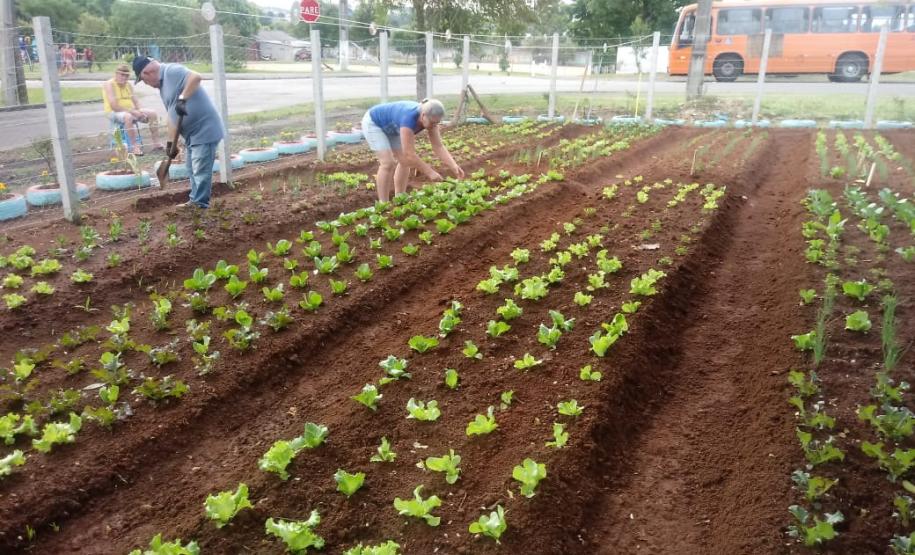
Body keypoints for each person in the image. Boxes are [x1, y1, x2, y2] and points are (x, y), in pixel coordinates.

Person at [134, 55, 225, 209]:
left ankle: (201, 205)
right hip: (191, 135)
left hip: (205, 128)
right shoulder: (163, 87)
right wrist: (171, 145)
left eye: (143, 80)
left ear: (147, 72)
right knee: (191, 168)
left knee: (200, 170)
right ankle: (195, 201)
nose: (147, 84)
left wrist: (183, 98)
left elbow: (196, 77)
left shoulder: (171, 71)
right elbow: (173, 116)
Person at [362, 98, 464, 202]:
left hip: (393, 127)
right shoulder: (408, 118)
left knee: (405, 162)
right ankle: (383, 203)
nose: (434, 126)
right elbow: (409, 154)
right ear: (423, 116)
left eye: (437, 123)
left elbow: (438, 146)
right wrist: (430, 172)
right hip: (374, 123)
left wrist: (454, 166)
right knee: (387, 163)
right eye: (433, 123)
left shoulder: (431, 121)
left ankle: (400, 197)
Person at [103, 63, 164, 154]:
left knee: (152, 113)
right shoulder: (109, 84)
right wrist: (133, 112)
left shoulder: (128, 85)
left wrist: (140, 111)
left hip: (130, 111)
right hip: (113, 112)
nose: (124, 78)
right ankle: (135, 147)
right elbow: (114, 106)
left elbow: (136, 101)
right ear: (116, 74)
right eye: (122, 75)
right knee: (128, 117)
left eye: (126, 76)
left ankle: (156, 143)